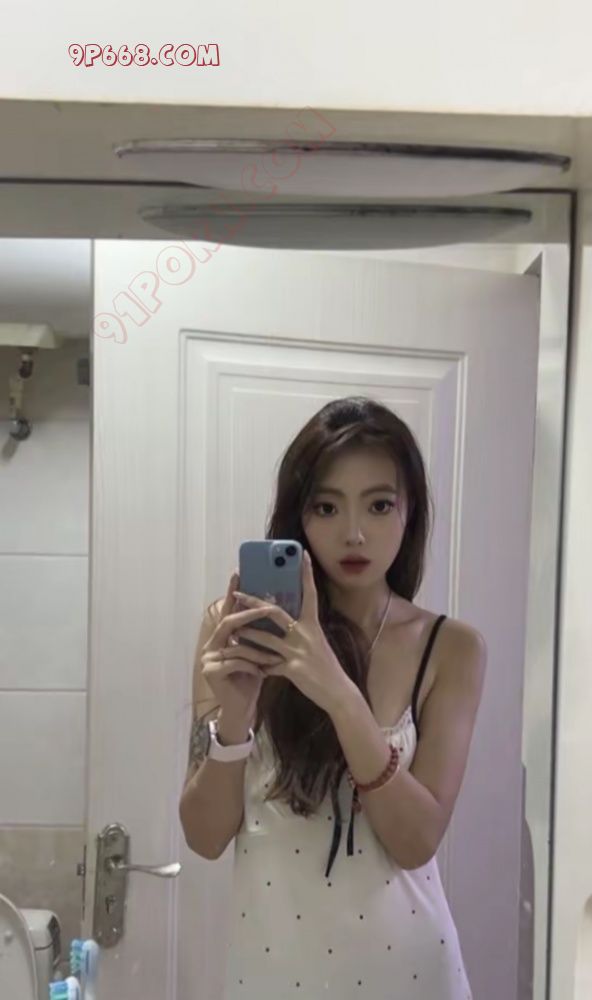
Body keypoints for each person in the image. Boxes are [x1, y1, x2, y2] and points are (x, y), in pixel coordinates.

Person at [179, 395, 487, 1000]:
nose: (353, 533)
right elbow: (204, 837)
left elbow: (416, 841)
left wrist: (339, 695)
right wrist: (234, 723)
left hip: (409, 974)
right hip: (271, 973)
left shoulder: (451, 648)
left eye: (379, 505)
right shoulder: (232, 627)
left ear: (411, 513)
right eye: (326, 506)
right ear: (299, 517)